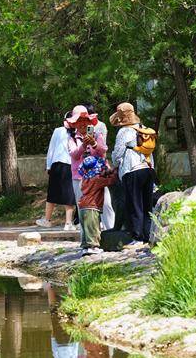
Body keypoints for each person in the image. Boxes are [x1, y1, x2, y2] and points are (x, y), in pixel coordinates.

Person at [110, 102, 156, 243]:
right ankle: (148, 235)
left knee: (135, 204)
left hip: (132, 170)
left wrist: (114, 165)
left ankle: (137, 236)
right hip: (148, 168)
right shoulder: (142, 128)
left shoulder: (124, 131)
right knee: (147, 204)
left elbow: (117, 154)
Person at [38, 121, 76, 231]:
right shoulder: (77, 131)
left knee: (52, 192)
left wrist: (48, 165)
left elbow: (51, 148)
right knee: (69, 193)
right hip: (70, 164)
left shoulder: (58, 130)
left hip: (57, 163)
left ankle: (47, 220)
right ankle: (68, 223)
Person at [76, 155, 117, 254]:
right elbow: (111, 181)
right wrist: (114, 172)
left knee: (86, 227)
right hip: (92, 206)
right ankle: (93, 246)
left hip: (82, 207)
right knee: (93, 227)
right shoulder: (97, 179)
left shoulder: (85, 179)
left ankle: (85, 246)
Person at [66, 106, 105, 203]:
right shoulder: (72, 139)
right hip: (80, 178)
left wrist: (94, 144)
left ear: (89, 122)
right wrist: (84, 145)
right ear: (74, 124)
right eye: (79, 120)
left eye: (85, 120)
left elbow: (103, 151)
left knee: (105, 207)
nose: (83, 123)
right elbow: (74, 155)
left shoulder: (96, 135)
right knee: (83, 208)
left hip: (98, 176)